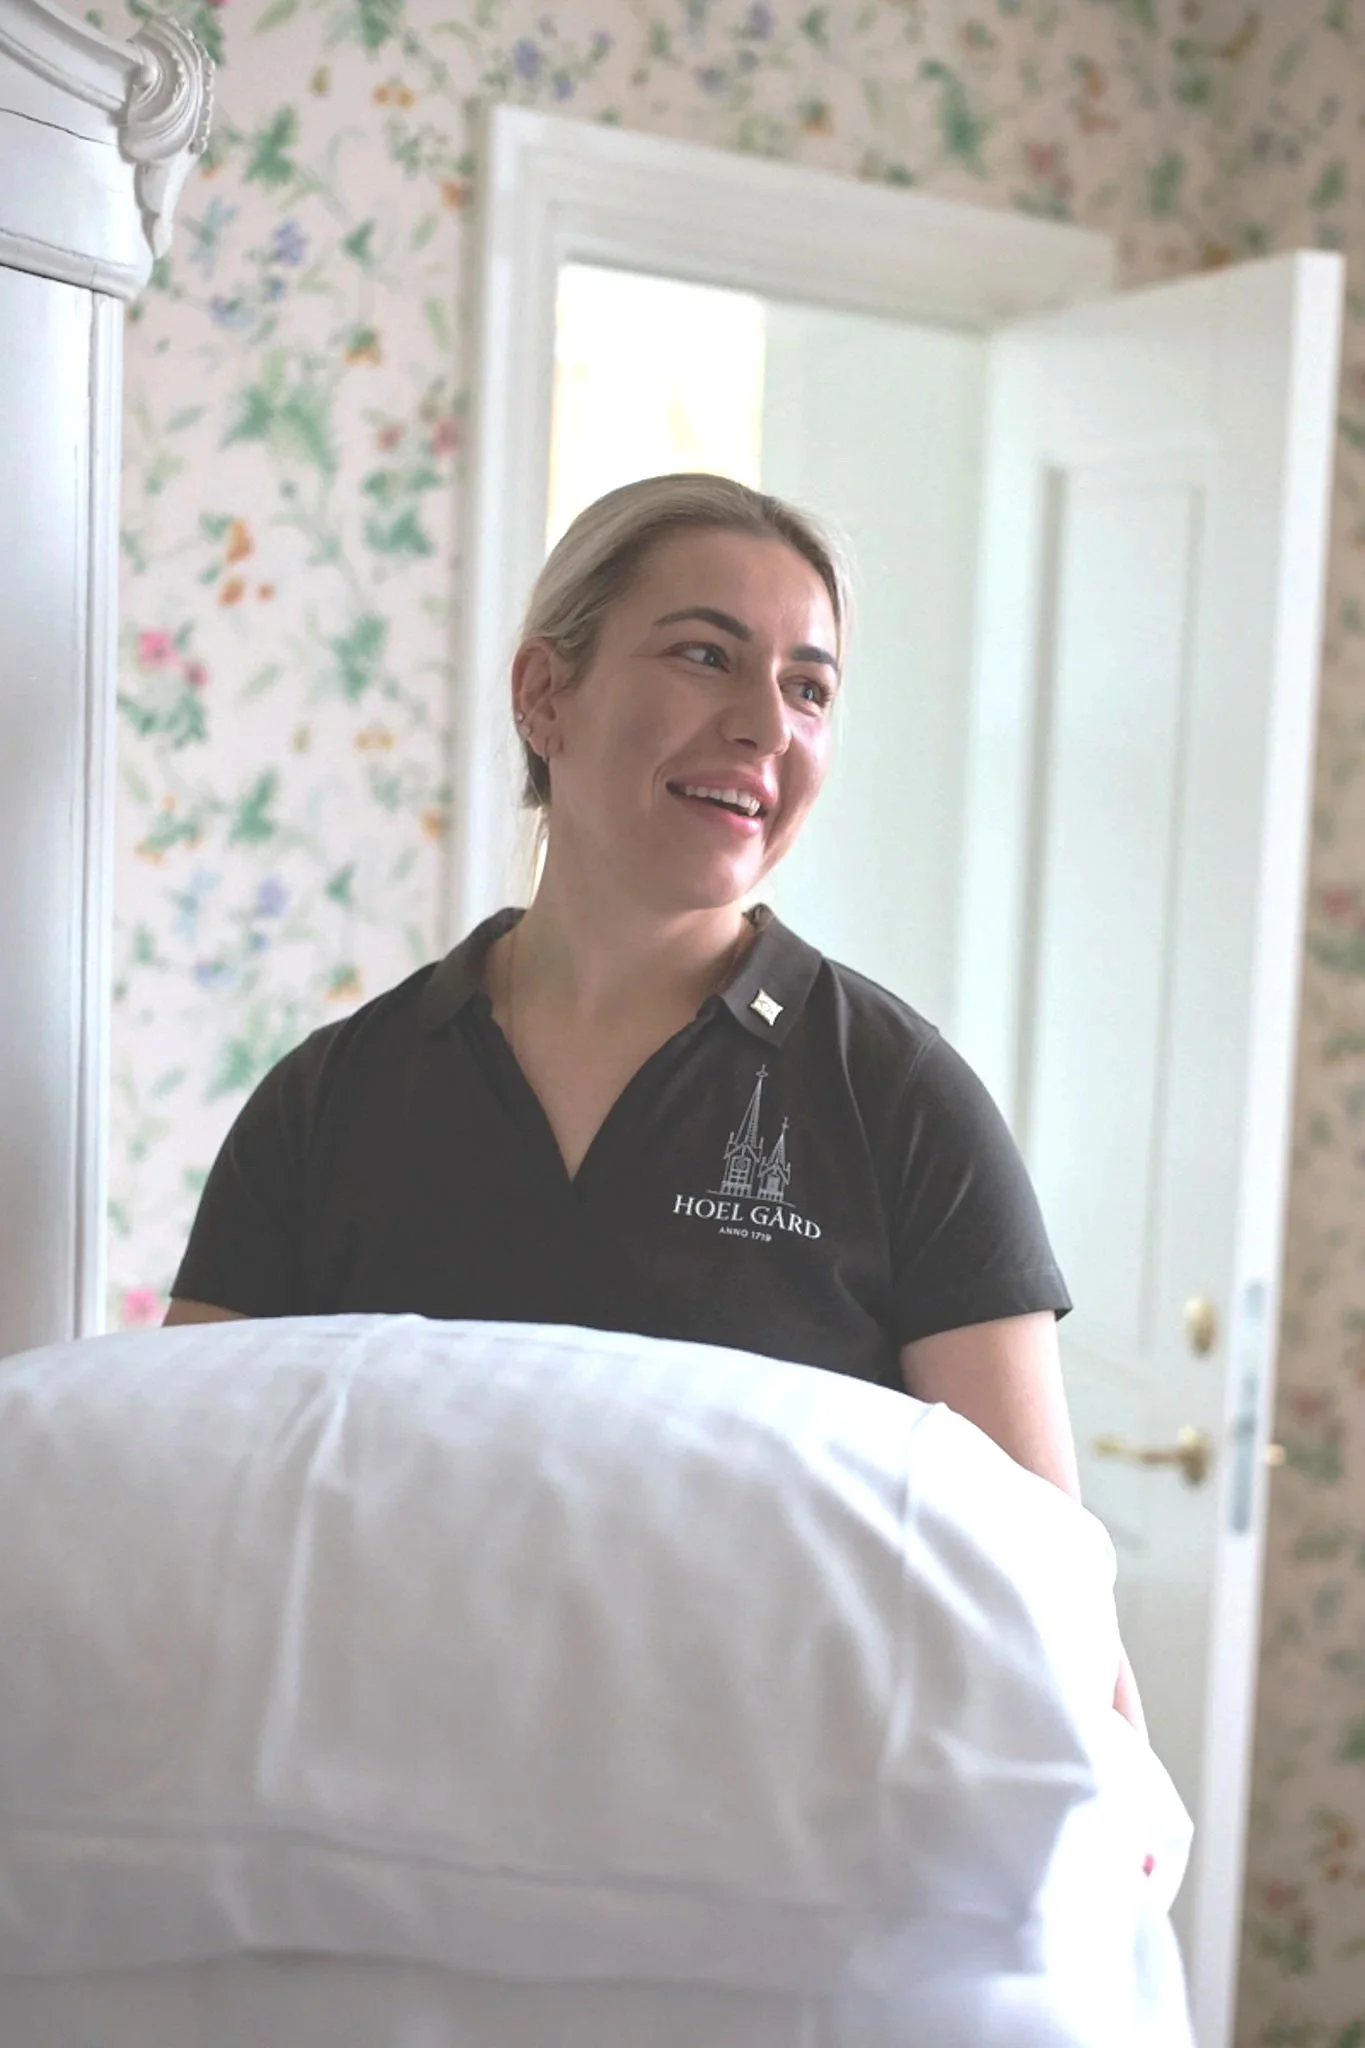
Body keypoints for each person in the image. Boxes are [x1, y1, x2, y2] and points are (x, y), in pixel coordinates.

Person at [165, 471, 1142, 1726]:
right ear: (544, 693)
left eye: (810, 686)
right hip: (380, 1844)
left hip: (771, 1864)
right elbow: (179, 1511)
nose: (766, 725)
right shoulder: (334, 1099)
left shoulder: (898, 1101)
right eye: (704, 654)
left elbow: (1050, 1603)